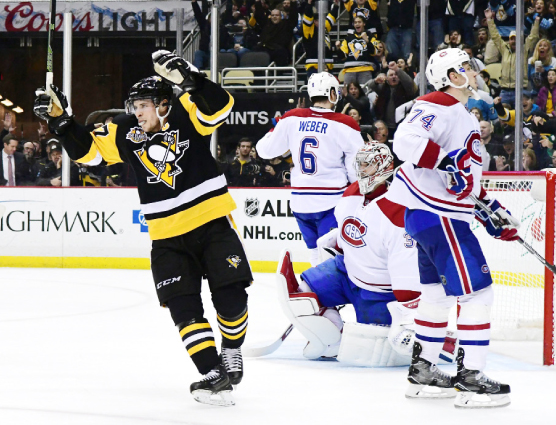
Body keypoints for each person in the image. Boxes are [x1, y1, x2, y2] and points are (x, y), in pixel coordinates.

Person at [33, 51, 252, 406]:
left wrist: (191, 80)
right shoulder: (124, 128)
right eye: (134, 105)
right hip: (165, 236)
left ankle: (231, 347)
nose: (137, 112)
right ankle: (213, 373)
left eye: (144, 105)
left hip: (212, 223)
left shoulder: (187, 111)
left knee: (232, 300)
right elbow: (89, 154)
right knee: (183, 307)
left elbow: (222, 106)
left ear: (164, 104)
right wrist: (63, 122)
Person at [386, 48, 515, 407]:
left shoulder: (456, 112)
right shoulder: (437, 104)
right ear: (452, 76)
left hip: (430, 216)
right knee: (478, 293)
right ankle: (471, 377)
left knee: (437, 296)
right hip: (439, 217)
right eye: (467, 70)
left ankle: (424, 370)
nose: (474, 75)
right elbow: (405, 142)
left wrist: (489, 207)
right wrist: (446, 164)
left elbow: (462, 174)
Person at [275, 142, 456, 365]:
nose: (361, 171)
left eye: (367, 165)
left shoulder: (399, 213)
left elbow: (406, 274)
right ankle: (334, 339)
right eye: (359, 164)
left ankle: (437, 338)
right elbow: (350, 229)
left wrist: (407, 314)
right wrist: (336, 240)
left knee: (382, 348)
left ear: (383, 168)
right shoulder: (352, 192)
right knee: (301, 295)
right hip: (344, 271)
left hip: (378, 293)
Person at [256, 72, 364, 266]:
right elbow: (356, 170)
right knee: (333, 255)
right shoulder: (345, 123)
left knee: (314, 252)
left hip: (300, 202)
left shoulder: (292, 117)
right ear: (332, 93)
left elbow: (264, 150)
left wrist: (277, 128)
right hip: (331, 201)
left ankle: (315, 288)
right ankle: (331, 293)